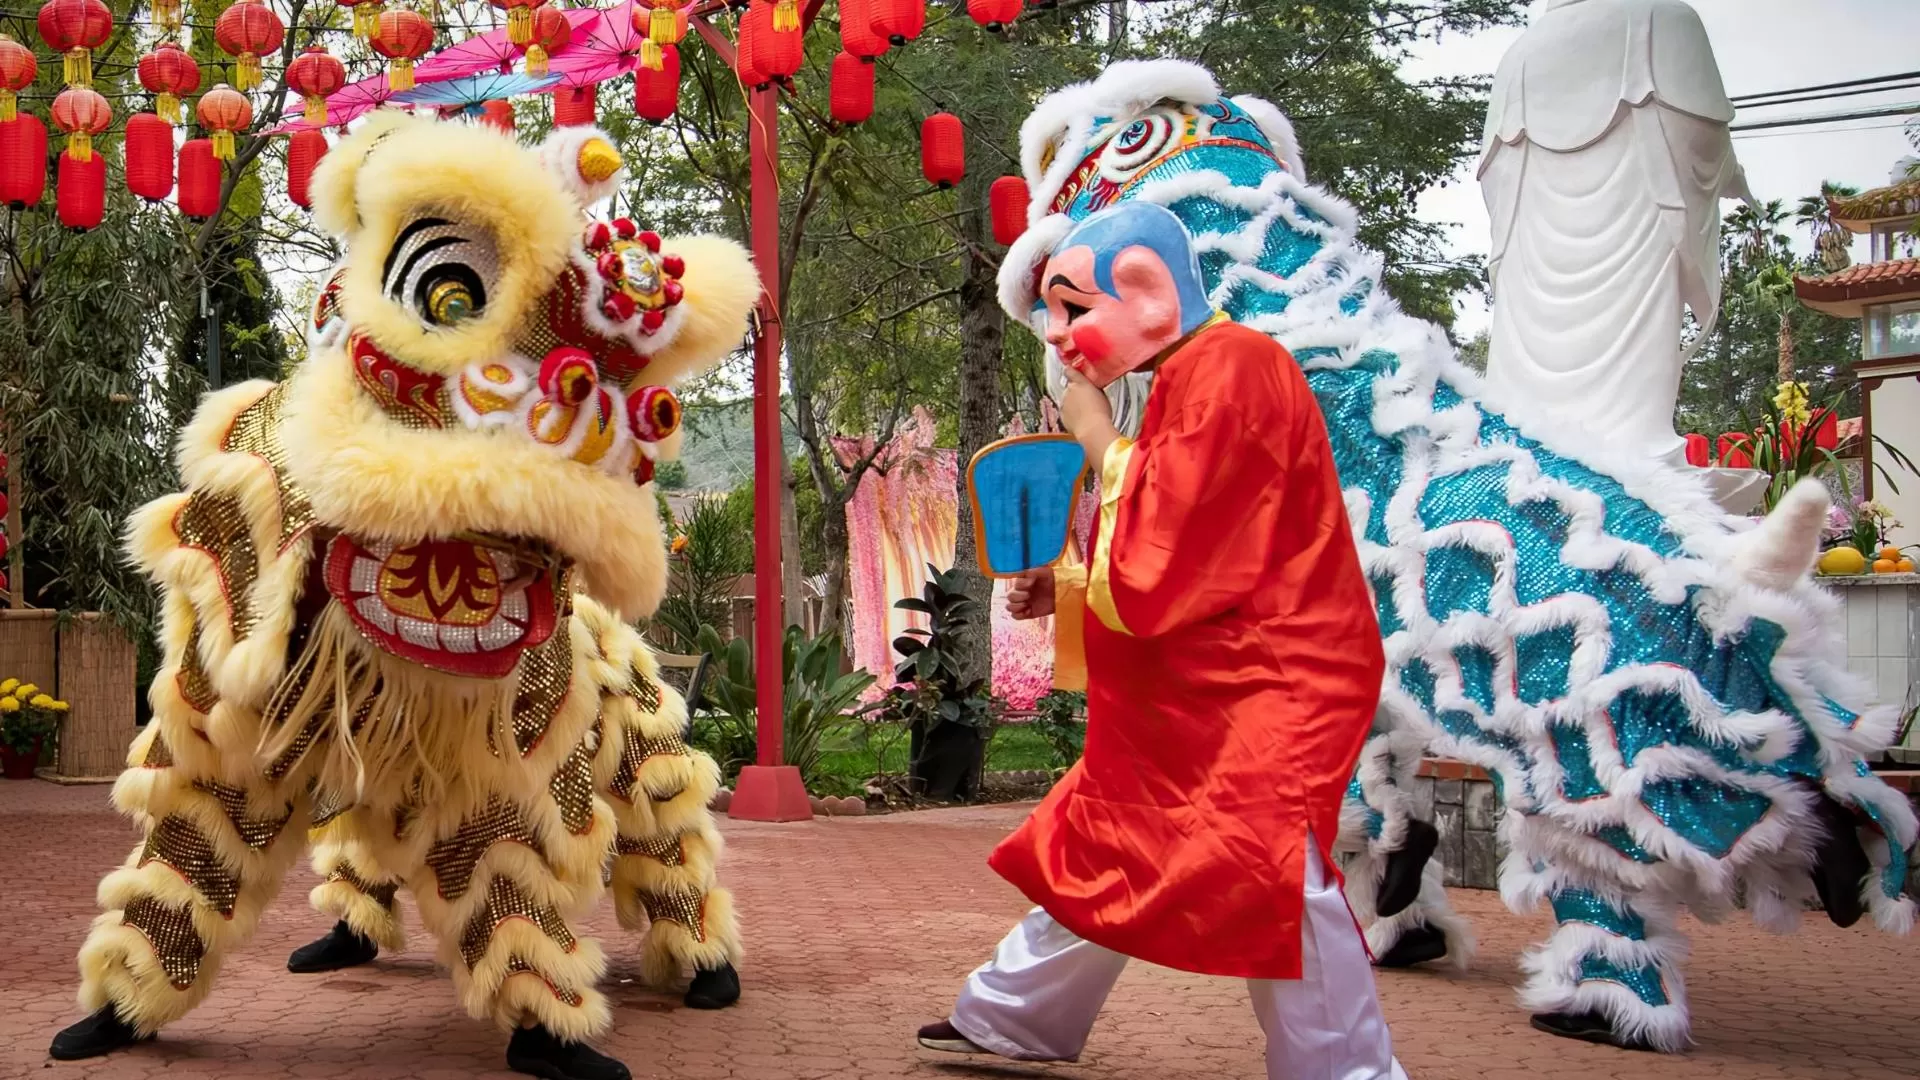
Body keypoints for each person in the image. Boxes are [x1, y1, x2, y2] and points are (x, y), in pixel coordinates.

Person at [917, 201, 1409, 1079]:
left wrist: (1094, 430)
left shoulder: (1237, 366)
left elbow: (1172, 536)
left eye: (1072, 310)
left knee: (1274, 865)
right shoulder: (1191, 375)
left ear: (1144, 291)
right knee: (1109, 835)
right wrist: (1061, 590)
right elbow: (1170, 550)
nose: (1060, 337)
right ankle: (1012, 1014)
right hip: (1206, 675)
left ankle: (1348, 1070)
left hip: (1272, 676)